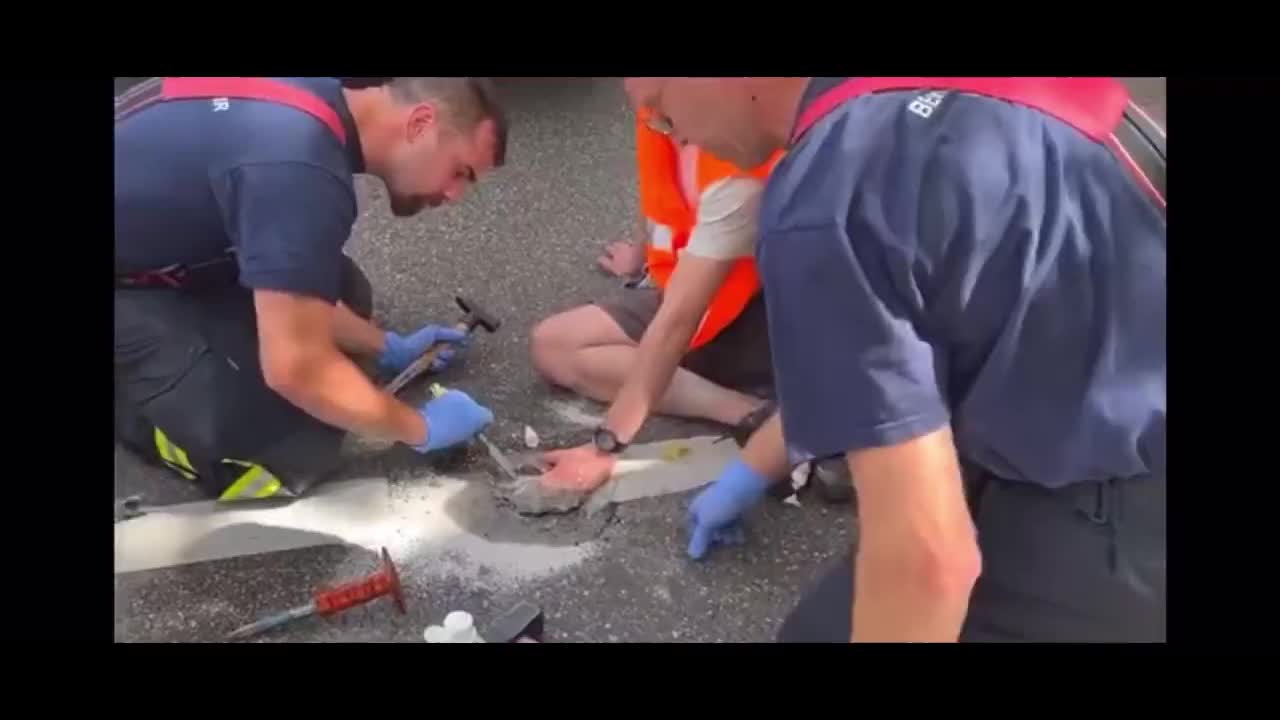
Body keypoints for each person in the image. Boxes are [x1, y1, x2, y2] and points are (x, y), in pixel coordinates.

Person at [623, 77, 1166, 642]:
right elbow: (884, 369)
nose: (675, 137)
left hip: (1118, 506)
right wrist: (749, 471)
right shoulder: (928, 107)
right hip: (1089, 399)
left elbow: (928, 563)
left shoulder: (831, 192)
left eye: (660, 112)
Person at [115, 77, 505, 502]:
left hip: (162, 253)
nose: (453, 194)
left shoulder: (314, 102)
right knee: (282, 456)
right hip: (132, 284)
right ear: (420, 123)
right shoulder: (298, 166)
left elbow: (287, 264)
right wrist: (421, 429)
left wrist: (385, 346)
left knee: (340, 288)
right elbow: (296, 369)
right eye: (460, 172)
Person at [527, 108, 780, 493]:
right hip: (701, 293)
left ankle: (761, 416)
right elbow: (660, 188)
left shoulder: (739, 150)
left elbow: (678, 319)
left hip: (747, 314)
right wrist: (642, 252)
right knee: (554, 345)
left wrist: (604, 448)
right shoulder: (660, 106)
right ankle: (753, 412)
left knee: (572, 345)